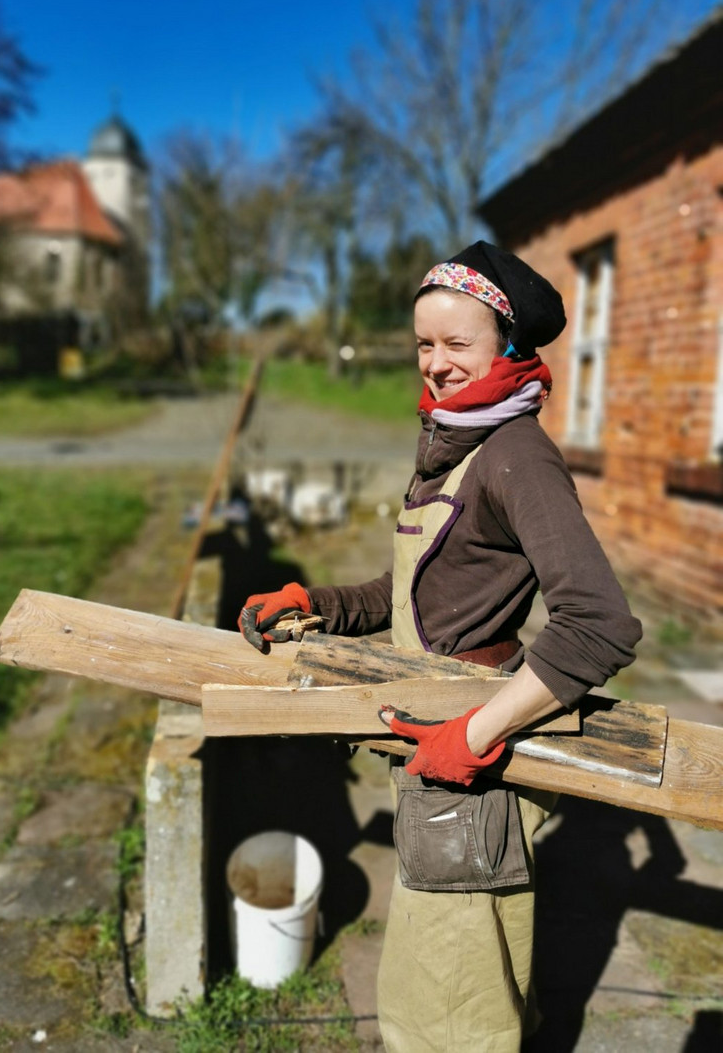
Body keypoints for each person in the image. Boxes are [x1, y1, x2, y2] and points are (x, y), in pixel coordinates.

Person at [237, 241, 642, 1052]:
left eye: (459, 343)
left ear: (508, 347)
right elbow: (414, 597)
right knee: (451, 973)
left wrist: (479, 732)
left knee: (454, 1006)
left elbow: (599, 622)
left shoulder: (516, 457)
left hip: (470, 757)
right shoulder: (453, 444)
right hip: (438, 746)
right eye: (426, 344)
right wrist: (312, 600)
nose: (438, 364)